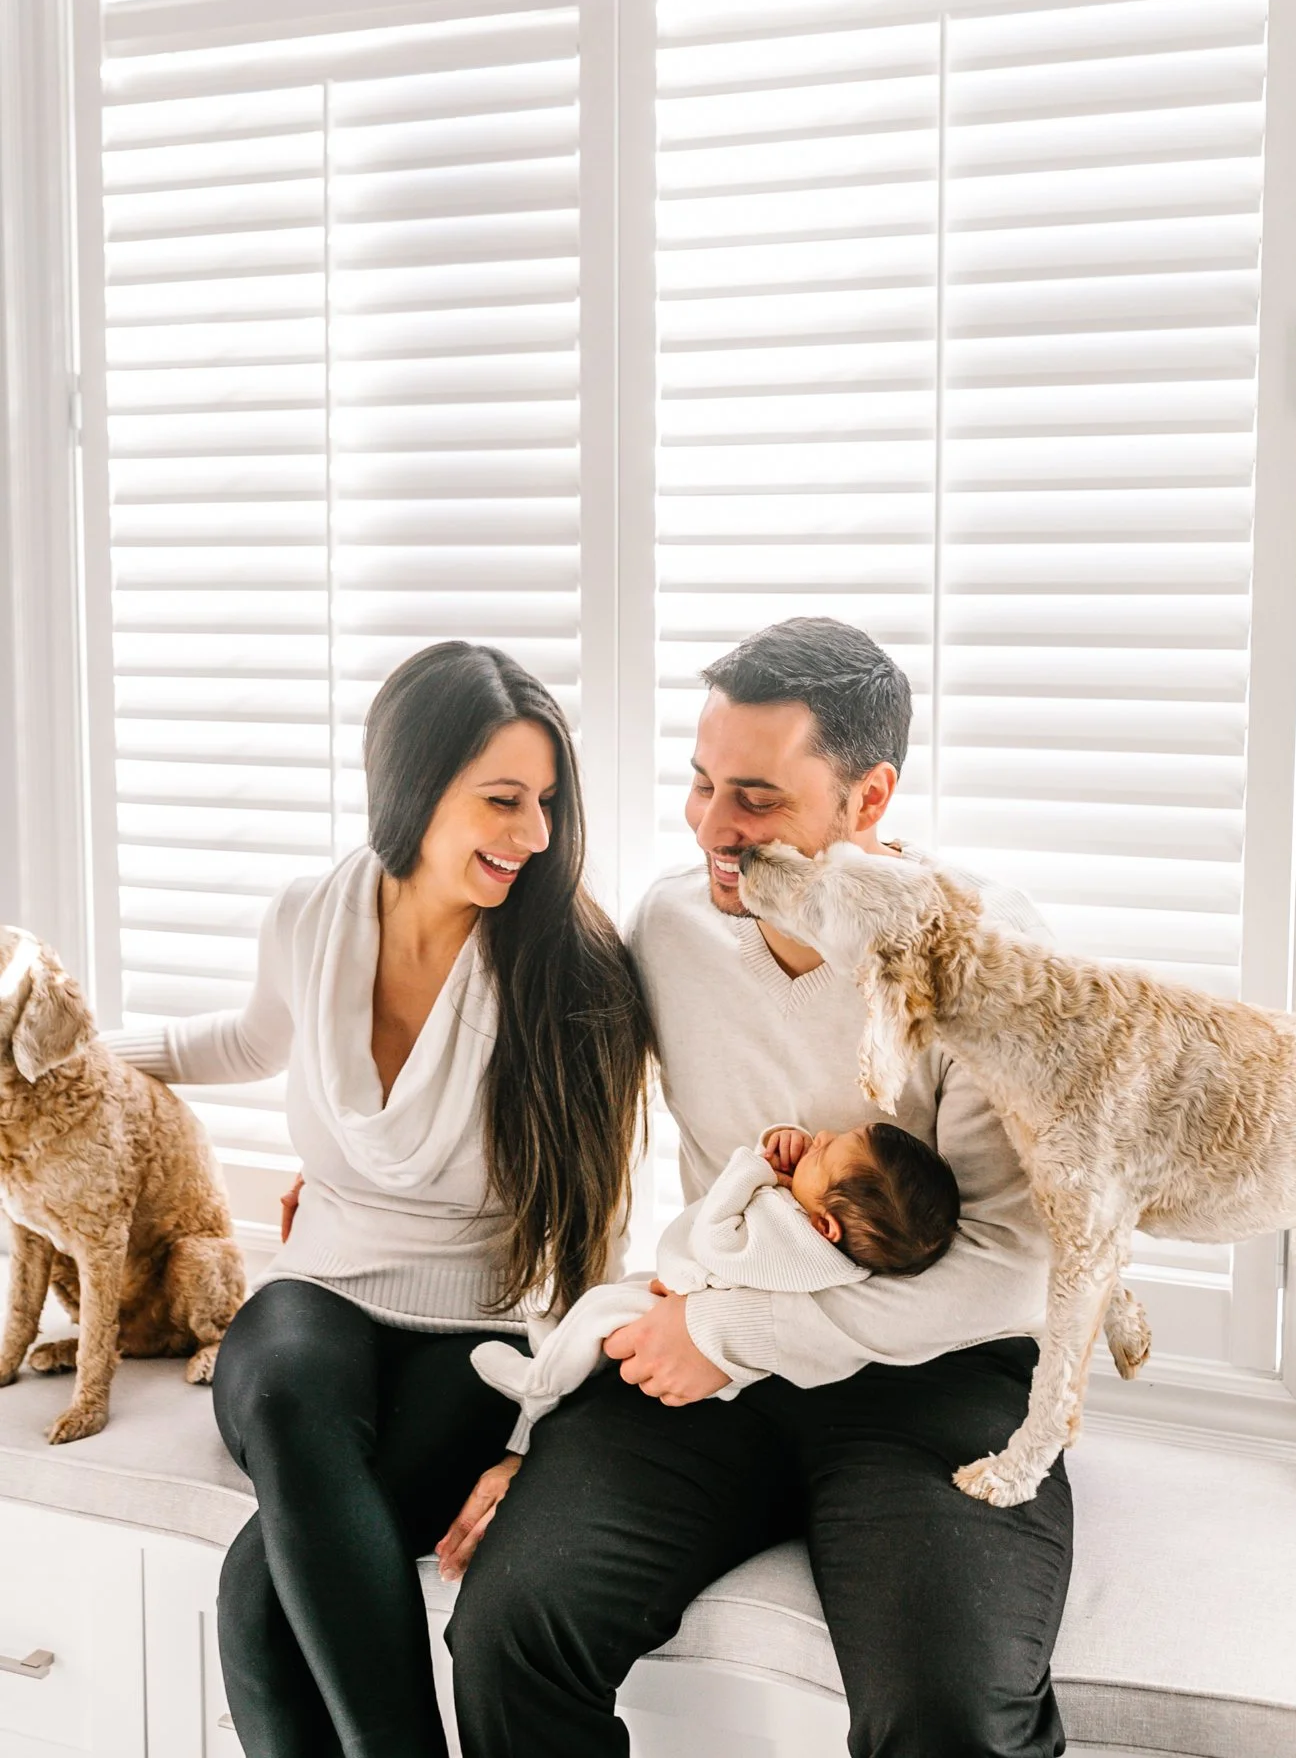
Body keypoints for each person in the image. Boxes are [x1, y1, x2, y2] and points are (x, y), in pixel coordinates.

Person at [442, 616, 1073, 1758]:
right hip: (697, 1354)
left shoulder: (984, 956)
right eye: (698, 783)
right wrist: (547, 1419)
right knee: (509, 1624)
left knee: (951, 1722)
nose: (712, 828)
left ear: (868, 797)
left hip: (925, 1374)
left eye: (758, 799)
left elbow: (1014, 1269)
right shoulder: (673, 922)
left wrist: (732, 1332)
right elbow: (570, 1132)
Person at [102, 641, 652, 1758]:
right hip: (322, 1286)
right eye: (502, 799)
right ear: (411, 786)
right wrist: (68, 1059)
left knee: (257, 1595)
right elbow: (248, 1038)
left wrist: (544, 1435)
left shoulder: (572, 966)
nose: (535, 833)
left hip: (478, 1329)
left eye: (547, 802)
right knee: (292, 1396)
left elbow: (597, 1236)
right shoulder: (311, 914)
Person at [467, 1120, 961, 1454]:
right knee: (607, 1314)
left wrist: (755, 1167)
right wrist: (797, 1159)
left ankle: (540, 1384)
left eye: (827, 1150)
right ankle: (566, 1350)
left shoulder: (788, 1236)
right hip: (698, 1312)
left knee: (602, 1306)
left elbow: (715, 1238)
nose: (823, 1133)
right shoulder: (838, 1258)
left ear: (825, 1225)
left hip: (699, 1319)